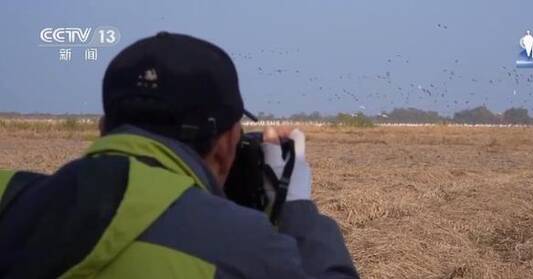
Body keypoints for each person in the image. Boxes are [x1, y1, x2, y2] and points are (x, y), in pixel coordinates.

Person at [0, 32, 359, 278]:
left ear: (104, 128)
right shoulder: (244, 246)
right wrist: (293, 203)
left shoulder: (8, 197)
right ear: (226, 144)